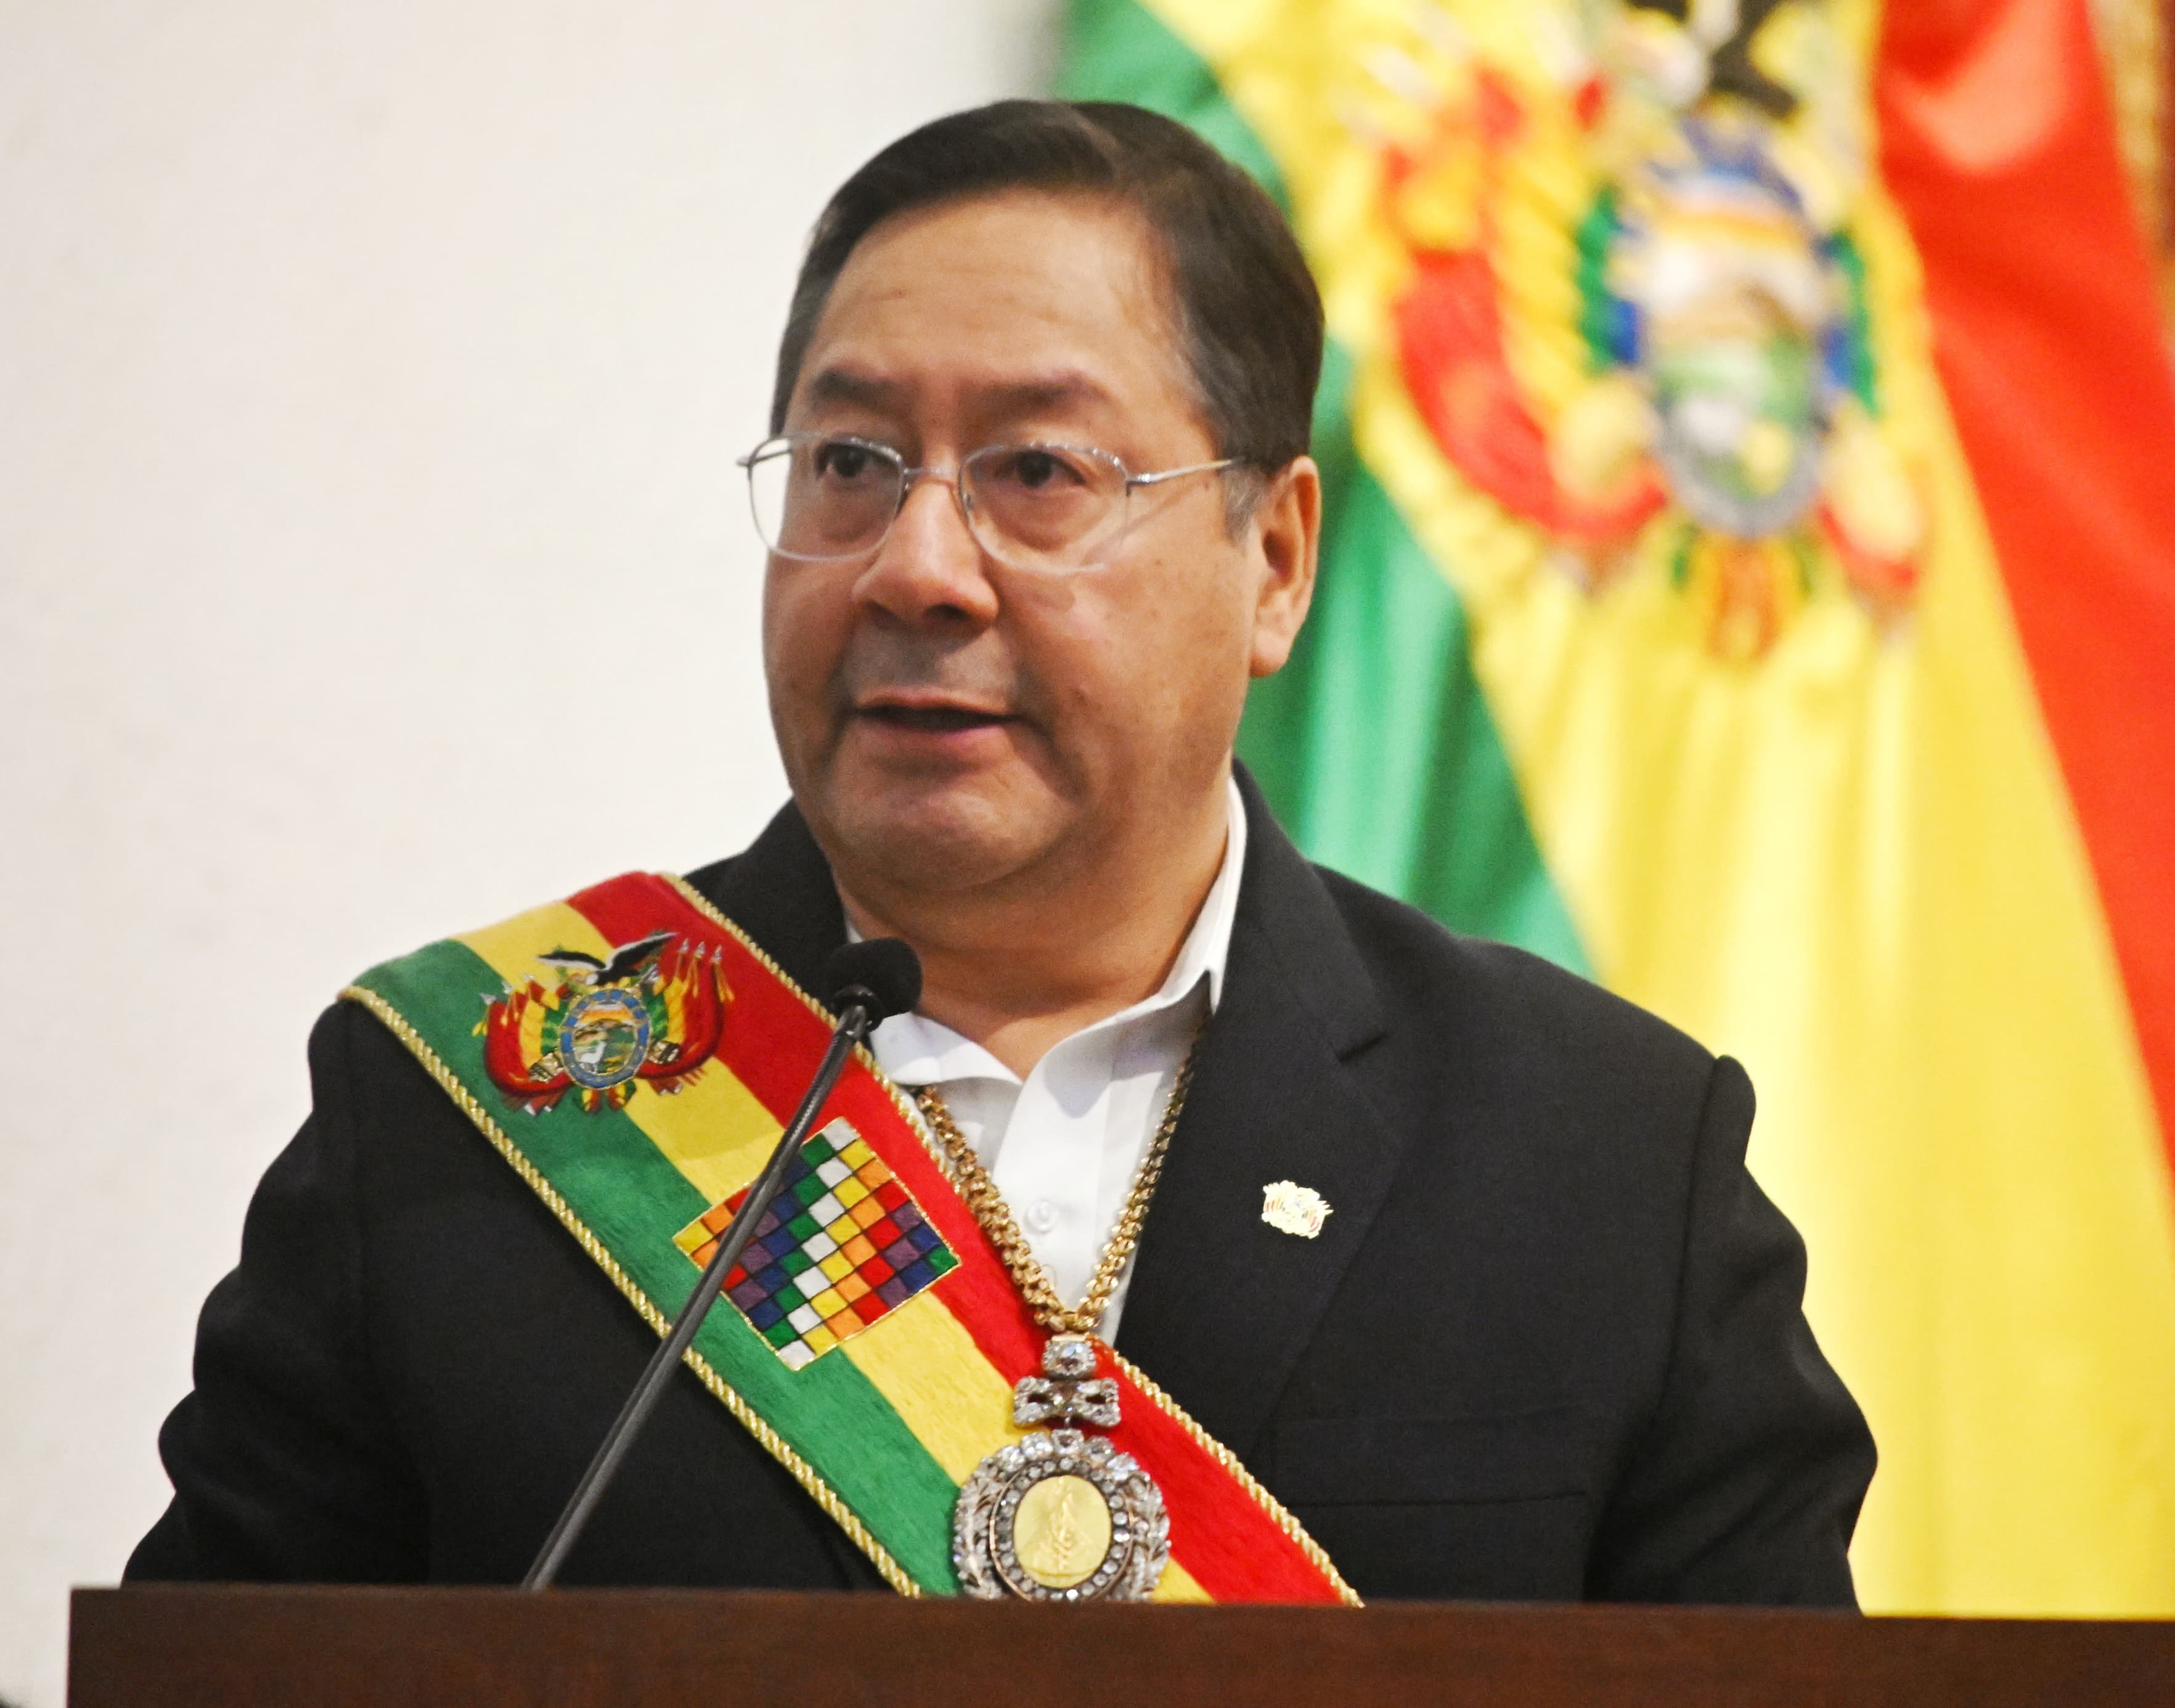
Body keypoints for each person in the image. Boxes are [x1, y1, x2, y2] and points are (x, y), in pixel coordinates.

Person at [129, 99, 1872, 1604]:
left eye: (1038, 471)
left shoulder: (1602, 1166)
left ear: (1275, 561)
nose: (916, 566)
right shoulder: (479, 1117)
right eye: (851, 462)